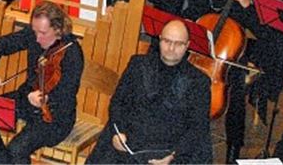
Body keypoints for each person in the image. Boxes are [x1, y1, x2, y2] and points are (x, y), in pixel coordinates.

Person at [87, 19, 212, 164]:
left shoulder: (199, 81)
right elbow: (118, 102)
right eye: (167, 41)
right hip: (130, 141)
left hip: (172, 150)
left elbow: (198, 127)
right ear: (159, 40)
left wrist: (173, 157)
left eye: (178, 44)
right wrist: (117, 133)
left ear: (188, 45)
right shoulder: (138, 65)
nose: (171, 48)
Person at [0, 2, 83, 164]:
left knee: (17, 149)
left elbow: (67, 93)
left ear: (58, 29)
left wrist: (45, 99)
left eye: (42, 33)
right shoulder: (34, 35)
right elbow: (0, 44)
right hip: (26, 100)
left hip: (54, 117)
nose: (37, 38)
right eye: (35, 32)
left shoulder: (72, 53)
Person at [182, 0, 260, 163]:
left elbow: (261, 31)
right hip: (201, 59)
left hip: (229, 62)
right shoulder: (202, 0)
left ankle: (233, 149)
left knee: (236, 98)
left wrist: (248, 6)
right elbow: (187, 20)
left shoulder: (238, 3)